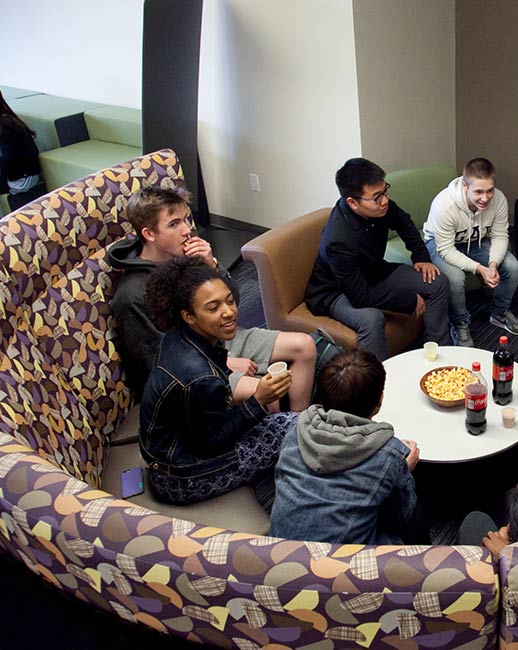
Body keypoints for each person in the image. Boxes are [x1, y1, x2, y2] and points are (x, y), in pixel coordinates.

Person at [109, 187, 316, 409]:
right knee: (265, 393)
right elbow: (157, 361)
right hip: (191, 363)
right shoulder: (132, 295)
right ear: (149, 234)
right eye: (174, 224)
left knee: (305, 346)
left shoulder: (186, 257)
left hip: (221, 337)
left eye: (185, 220)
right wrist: (224, 362)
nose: (187, 230)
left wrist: (212, 265)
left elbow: (233, 300)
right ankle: (279, 438)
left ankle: (298, 423)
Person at [139, 257, 297, 505]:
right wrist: (258, 400)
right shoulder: (200, 377)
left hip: (168, 454)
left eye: (230, 301)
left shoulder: (178, 337)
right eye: (213, 308)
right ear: (189, 316)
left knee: (286, 425)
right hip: (181, 478)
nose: (229, 312)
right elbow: (210, 446)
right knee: (293, 428)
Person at [269, 349, 425, 545]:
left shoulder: (295, 429)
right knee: (415, 514)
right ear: (380, 401)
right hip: (337, 566)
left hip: (276, 554)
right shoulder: (388, 454)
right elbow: (400, 517)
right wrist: (403, 470)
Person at [305, 158, 450, 361]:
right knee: (371, 319)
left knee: (437, 282)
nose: (384, 201)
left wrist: (421, 256)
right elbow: (359, 296)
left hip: (373, 271)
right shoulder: (338, 240)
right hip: (336, 291)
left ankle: (439, 353)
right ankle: (377, 385)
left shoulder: (380, 205)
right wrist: (408, 300)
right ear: (353, 203)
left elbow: (404, 222)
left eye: (385, 191)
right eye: (376, 197)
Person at [423, 157, 518, 346]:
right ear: (465, 186)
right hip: (440, 244)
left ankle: (500, 313)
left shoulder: (499, 199)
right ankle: (460, 323)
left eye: (490, 191)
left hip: (475, 240)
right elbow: (446, 249)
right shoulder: (444, 205)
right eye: (478, 192)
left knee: (512, 267)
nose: (485, 198)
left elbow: (500, 235)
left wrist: (493, 264)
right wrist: (480, 269)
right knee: (454, 279)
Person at [0, 90, 46, 211]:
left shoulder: (4, 126)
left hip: (22, 179)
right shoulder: (6, 118)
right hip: (21, 174)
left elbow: (9, 160)